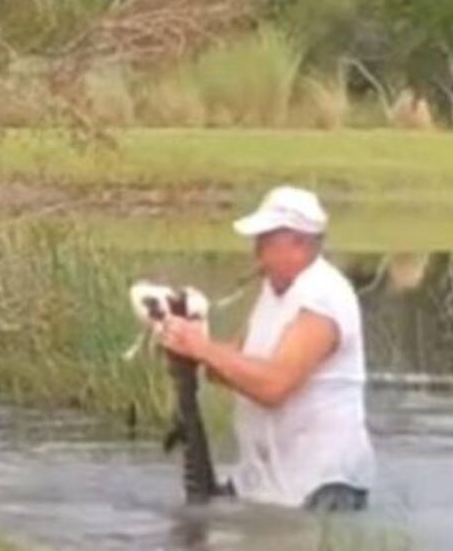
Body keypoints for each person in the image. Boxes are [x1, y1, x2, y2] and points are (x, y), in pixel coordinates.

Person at [156, 185, 375, 512]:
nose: (256, 251)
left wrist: (202, 348)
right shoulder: (274, 291)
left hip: (324, 487)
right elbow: (232, 368)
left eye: (266, 240)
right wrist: (192, 347)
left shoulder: (324, 298)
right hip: (266, 484)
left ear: (301, 243)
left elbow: (274, 386)